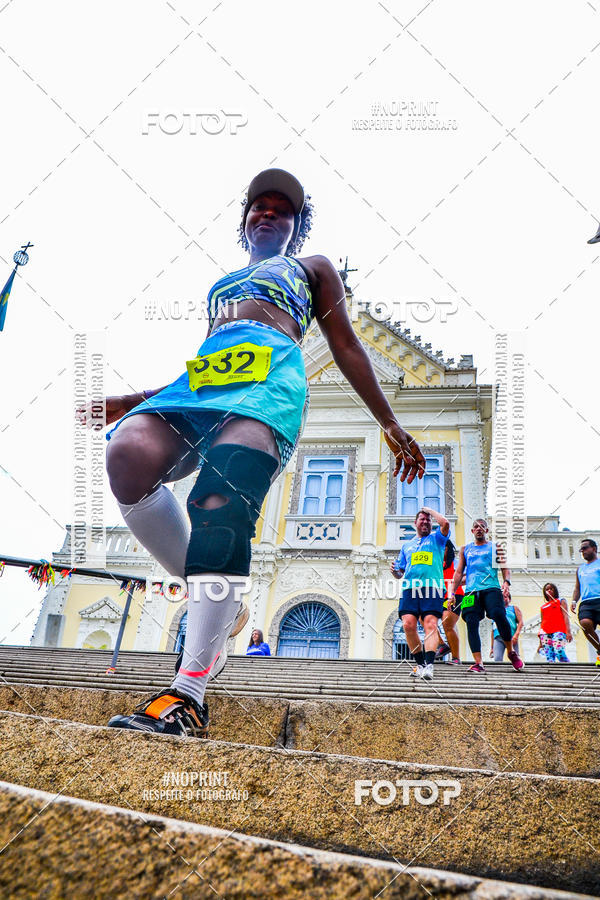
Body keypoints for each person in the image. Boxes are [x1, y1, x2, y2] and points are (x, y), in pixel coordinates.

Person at [99, 168, 425, 738]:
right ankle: (228, 605)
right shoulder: (223, 284)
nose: (269, 212)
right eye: (259, 206)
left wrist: (390, 422)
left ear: (297, 227)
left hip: (270, 380)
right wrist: (132, 397)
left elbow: (345, 343)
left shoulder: (312, 268)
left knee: (218, 505)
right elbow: (209, 358)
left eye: (284, 208)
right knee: (128, 451)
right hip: (203, 386)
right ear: (246, 218)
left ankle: (189, 694)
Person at [452, 518, 524, 673]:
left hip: (491, 587)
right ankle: (479, 662)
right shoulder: (465, 549)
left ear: (486, 531)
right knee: (471, 621)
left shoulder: (495, 547)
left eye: (482, 527)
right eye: (476, 527)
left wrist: (506, 582)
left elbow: (505, 568)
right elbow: (458, 572)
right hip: (471, 591)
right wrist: (452, 592)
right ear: (472, 531)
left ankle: (511, 652)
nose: (479, 529)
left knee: (499, 614)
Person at [391, 507, 450, 680]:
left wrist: (429, 510)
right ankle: (420, 664)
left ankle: (430, 666)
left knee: (430, 624)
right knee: (408, 625)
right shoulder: (406, 546)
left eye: (428, 519)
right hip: (410, 588)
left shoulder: (437, 539)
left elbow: (445, 523)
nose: (425, 521)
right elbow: (400, 572)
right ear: (415, 523)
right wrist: (394, 572)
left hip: (433, 587)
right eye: (422, 519)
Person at [571, 538, 600, 661]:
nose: (582, 551)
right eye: (581, 550)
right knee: (584, 623)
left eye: (585, 548)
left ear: (594, 549)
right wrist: (574, 601)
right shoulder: (580, 569)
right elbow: (578, 587)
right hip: (587, 602)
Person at [434, 539, 462, 665]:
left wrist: (452, 583)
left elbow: (466, 576)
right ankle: (441, 644)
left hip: (455, 595)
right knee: (423, 617)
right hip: (437, 595)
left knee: (447, 623)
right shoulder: (435, 563)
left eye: (443, 548)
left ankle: (456, 658)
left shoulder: (456, 563)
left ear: (448, 549)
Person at [539, 583, 571, 663]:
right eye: (547, 589)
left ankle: (568, 667)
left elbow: (566, 616)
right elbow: (542, 622)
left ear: (555, 591)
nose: (549, 590)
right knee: (549, 657)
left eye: (551, 589)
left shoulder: (561, 601)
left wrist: (568, 632)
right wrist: (540, 642)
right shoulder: (543, 607)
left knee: (559, 651)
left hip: (559, 630)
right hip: (545, 633)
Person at [489, 592, 523, 662]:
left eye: (505, 597)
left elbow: (521, 622)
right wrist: (492, 647)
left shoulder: (514, 608)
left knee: (515, 659)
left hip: (512, 637)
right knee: (497, 659)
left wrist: (516, 635)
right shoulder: (495, 611)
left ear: (509, 599)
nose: (503, 599)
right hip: (498, 637)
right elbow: (493, 629)